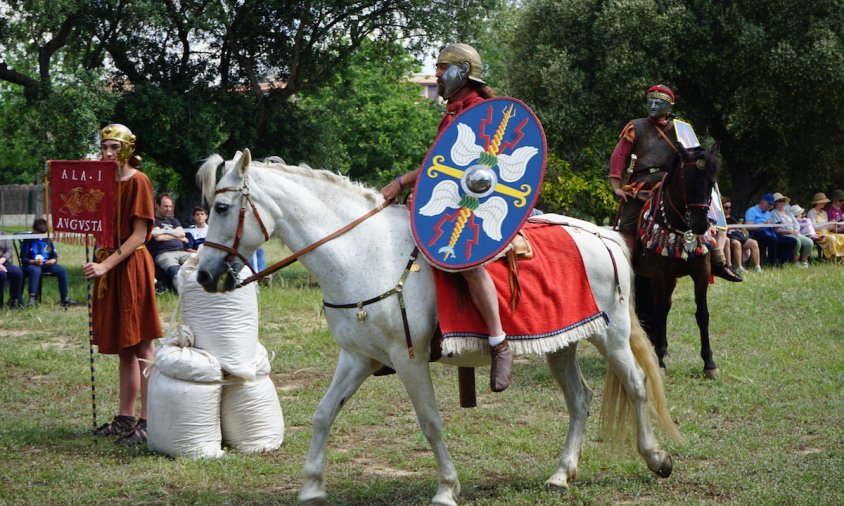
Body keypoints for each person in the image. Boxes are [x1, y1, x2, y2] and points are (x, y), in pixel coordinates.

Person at [381, 43, 512, 392]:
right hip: (449, 202)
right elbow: (437, 166)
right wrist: (409, 186)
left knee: (466, 262)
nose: (436, 74)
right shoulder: (452, 114)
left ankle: (499, 343)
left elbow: (475, 171)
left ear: (462, 72)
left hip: (477, 206)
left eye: (442, 67)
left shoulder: (483, 113)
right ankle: (412, 336)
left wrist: (400, 182)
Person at [608, 84, 741, 282]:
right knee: (627, 222)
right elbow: (619, 156)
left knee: (704, 214)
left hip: (672, 182)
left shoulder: (680, 130)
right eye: (650, 101)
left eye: (659, 102)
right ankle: (623, 268)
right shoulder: (635, 126)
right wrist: (616, 186)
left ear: (669, 107)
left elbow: (696, 158)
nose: (653, 106)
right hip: (642, 185)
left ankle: (718, 261)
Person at [82, 123, 162, 445]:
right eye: (104, 147)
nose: (108, 153)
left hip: (131, 265)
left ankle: (148, 421)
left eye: (114, 147)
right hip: (110, 266)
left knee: (142, 343)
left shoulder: (138, 181)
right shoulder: (105, 183)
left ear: (128, 148)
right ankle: (125, 418)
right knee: (125, 348)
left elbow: (139, 235)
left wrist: (105, 265)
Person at [20, 218, 77, 307]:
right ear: (34, 230)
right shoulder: (28, 240)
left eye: (43, 234)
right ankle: (32, 298)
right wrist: (34, 261)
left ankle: (64, 298)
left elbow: (53, 254)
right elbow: (24, 259)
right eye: (38, 233)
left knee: (62, 271)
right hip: (32, 264)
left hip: (46, 264)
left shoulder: (47, 240)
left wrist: (53, 260)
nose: (40, 236)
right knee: (36, 271)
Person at [147, 193, 190, 292]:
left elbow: (182, 233)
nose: (168, 209)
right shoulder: (153, 220)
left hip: (182, 252)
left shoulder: (174, 221)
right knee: (175, 271)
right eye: (165, 206)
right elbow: (158, 238)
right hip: (164, 253)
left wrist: (164, 231)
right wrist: (177, 236)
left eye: (170, 206)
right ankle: (182, 295)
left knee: (198, 263)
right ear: (157, 206)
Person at [744, 193, 797, 266]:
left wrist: (774, 226)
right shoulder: (752, 211)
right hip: (756, 234)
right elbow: (749, 227)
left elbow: (770, 226)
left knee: (792, 241)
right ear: (762, 202)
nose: (770, 206)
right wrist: (763, 224)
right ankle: (772, 263)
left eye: (771, 204)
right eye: (769, 204)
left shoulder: (768, 213)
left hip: (770, 233)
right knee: (772, 239)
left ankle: (781, 262)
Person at [723, 198, 761, 273]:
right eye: (726, 207)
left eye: (730, 207)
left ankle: (757, 266)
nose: (728, 210)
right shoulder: (720, 218)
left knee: (754, 243)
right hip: (729, 238)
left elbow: (742, 228)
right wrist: (731, 227)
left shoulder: (733, 217)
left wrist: (742, 227)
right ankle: (739, 267)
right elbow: (720, 230)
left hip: (740, 236)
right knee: (737, 243)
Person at [808, 192, 844, 260]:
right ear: (819, 203)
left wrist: (834, 224)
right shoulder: (811, 212)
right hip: (817, 234)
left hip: (827, 232)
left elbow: (827, 227)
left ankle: (841, 257)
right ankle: (831, 258)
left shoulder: (824, 212)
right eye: (823, 202)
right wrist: (826, 224)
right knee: (831, 238)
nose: (825, 203)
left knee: (842, 236)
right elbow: (813, 227)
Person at [0, 231, 24, 308]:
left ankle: (13, 300)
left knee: (17, 273)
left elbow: (9, 250)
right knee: (2, 274)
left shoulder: (2, 234)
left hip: (4, 262)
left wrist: (2, 260)